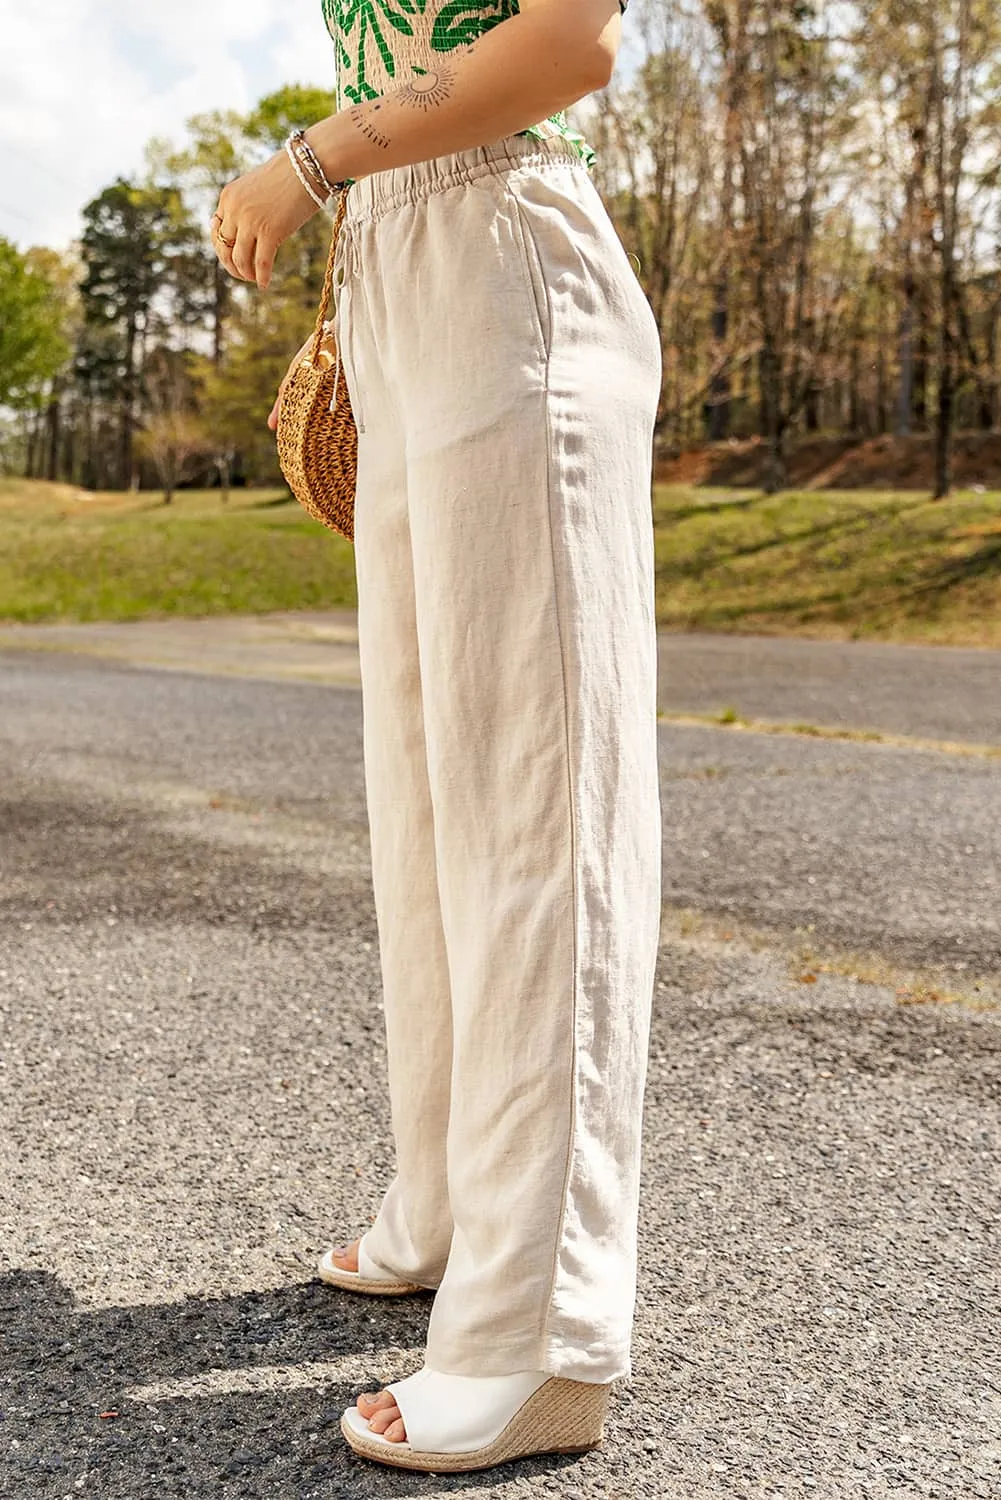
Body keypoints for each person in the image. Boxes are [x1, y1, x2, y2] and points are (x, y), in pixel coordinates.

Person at [210, 0, 662, 1475]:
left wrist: (312, 161)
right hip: (403, 259)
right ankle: (456, 1210)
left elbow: (567, 47)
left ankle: (538, 1336)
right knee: (425, 802)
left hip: (507, 247)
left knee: (539, 803)